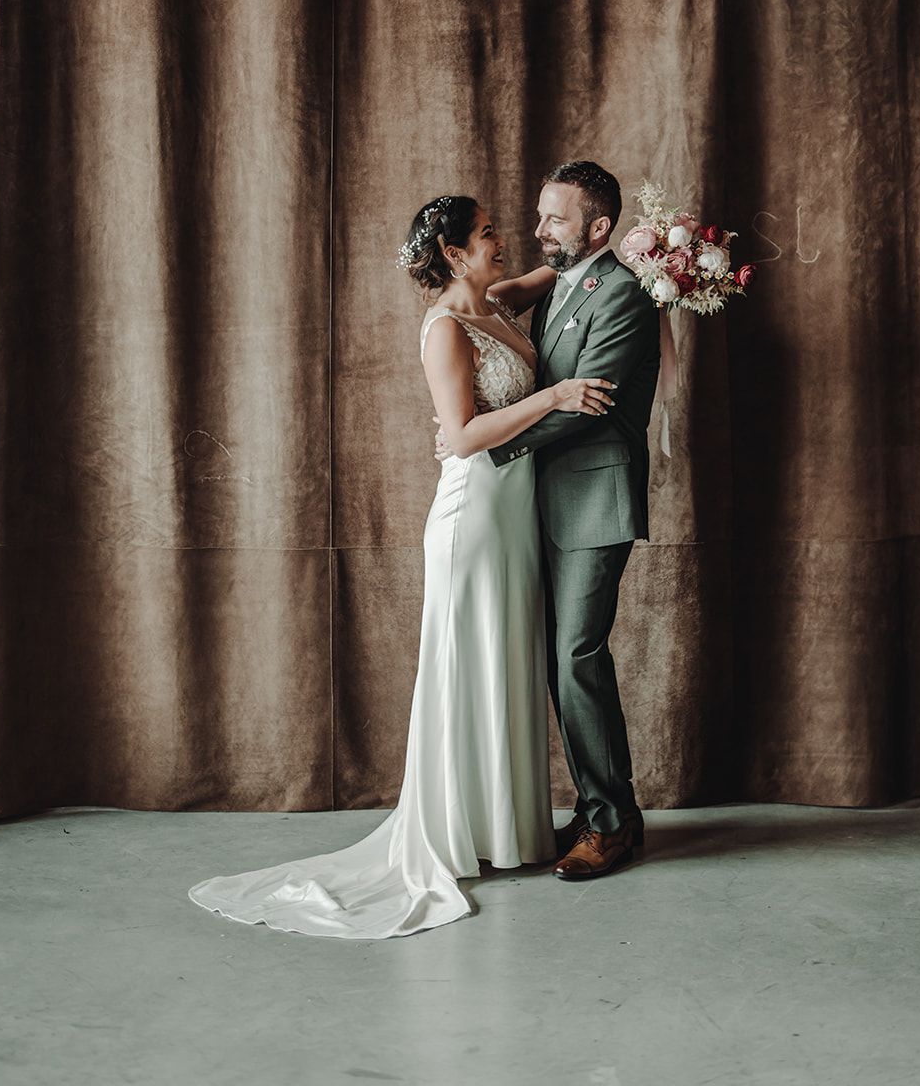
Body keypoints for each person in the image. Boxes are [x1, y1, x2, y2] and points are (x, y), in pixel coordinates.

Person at [187, 194, 614, 939]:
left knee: (507, 659)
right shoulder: (446, 328)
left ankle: (505, 829)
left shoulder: (494, 302)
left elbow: (553, 274)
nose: (503, 239)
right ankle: (452, 832)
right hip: (474, 514)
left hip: (515, 515)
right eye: (486, 234)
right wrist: (554, 392)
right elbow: (462, 434)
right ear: (452, 253)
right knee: (468, 660)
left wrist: (629, 249)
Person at [437, 161, 660, 881]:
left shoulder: (621, 296)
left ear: (598, 227)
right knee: (556, 661)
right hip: (542, 503)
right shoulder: (568, 279)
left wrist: (479, 442)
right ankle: (602, 806)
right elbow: (499, 303)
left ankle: (612, 824)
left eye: (553, 220)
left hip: (593, 501)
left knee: (574, 657)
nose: (537, 231)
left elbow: (581, 408)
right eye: (536, 216)